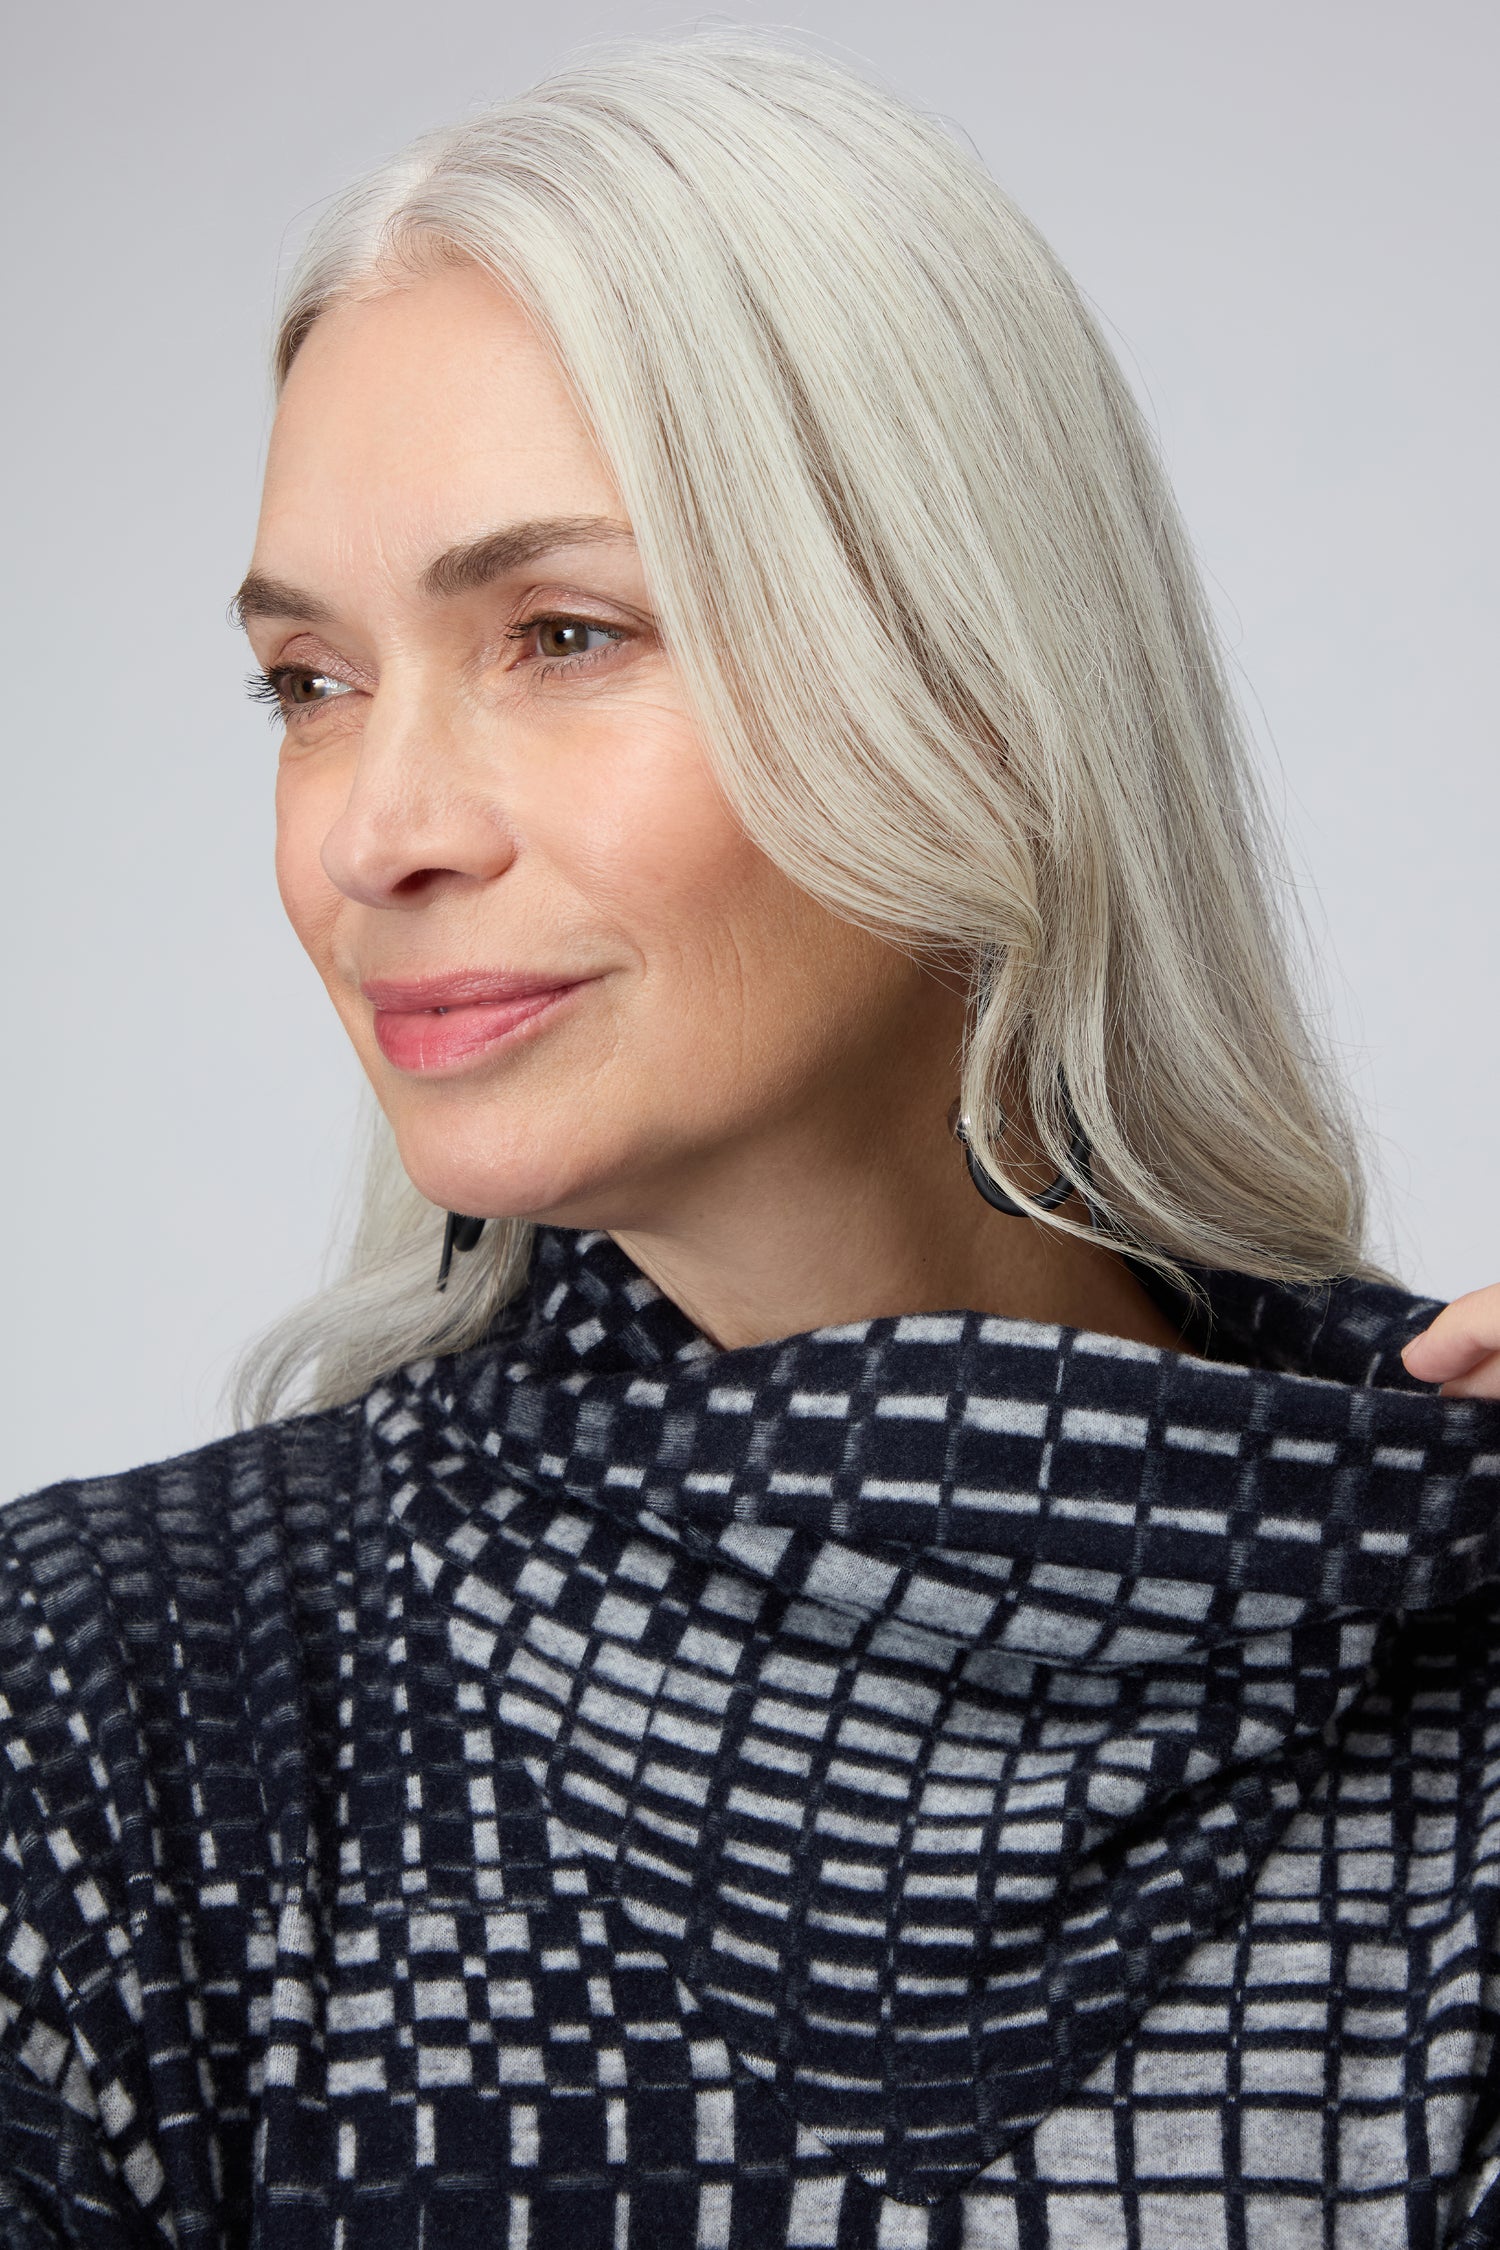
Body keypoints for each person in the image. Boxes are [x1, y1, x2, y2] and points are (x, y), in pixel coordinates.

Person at [2, 31, 1498, 2250]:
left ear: (982, 690)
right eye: (308, 685)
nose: (374, 835)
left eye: (565, 635)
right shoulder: (111, 1706)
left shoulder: (1436, 1631)